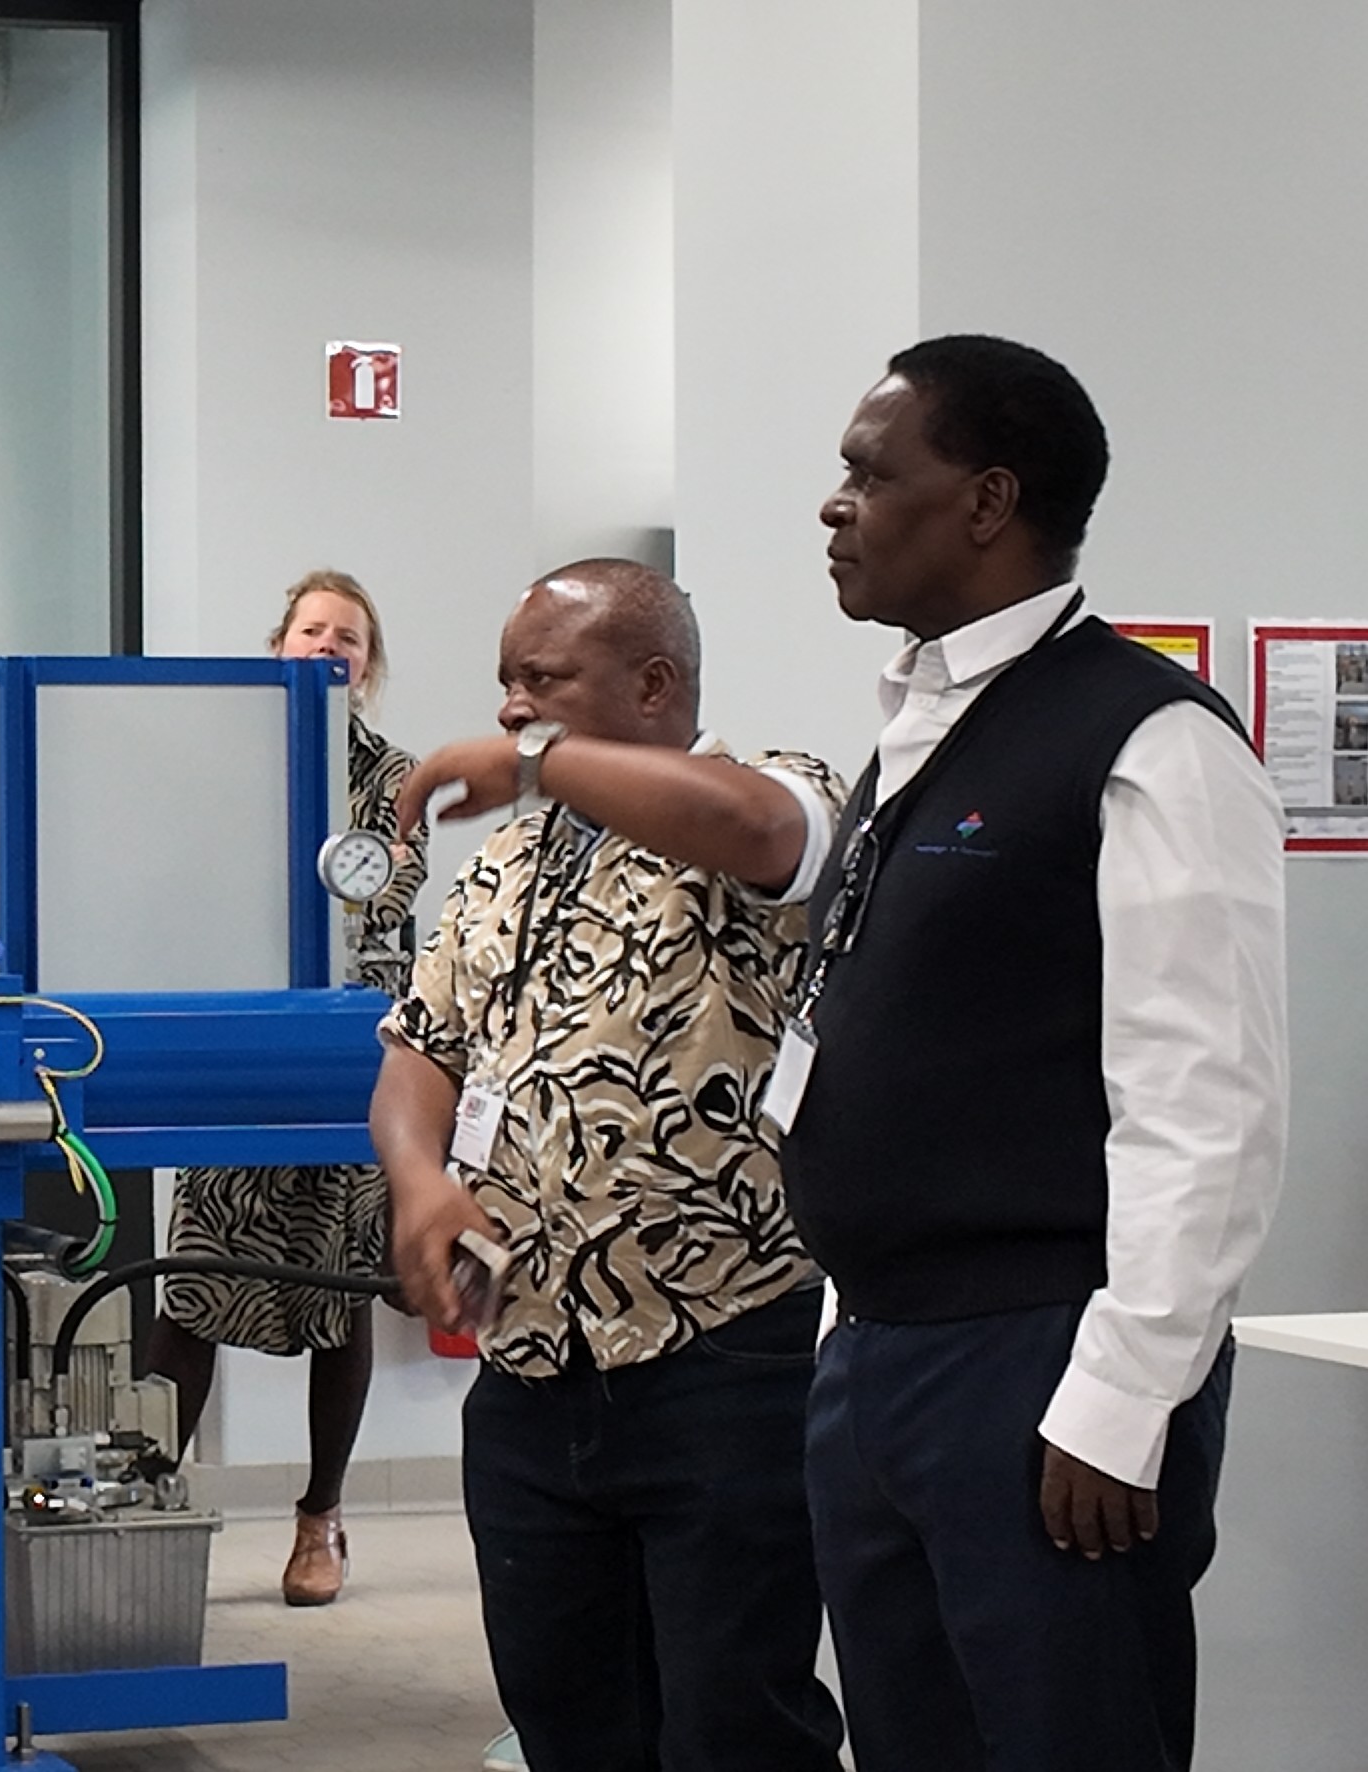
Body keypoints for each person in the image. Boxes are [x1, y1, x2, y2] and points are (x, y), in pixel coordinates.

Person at [782, 336, 1285, 1772]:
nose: (834, 506)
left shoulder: (1146, 740)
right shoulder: (921, 728)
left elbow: (1208, 1106)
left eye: (870, 476)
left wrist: (1125, 1394)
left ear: (987, 500)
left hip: (1040, 1367)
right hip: (879, 1351)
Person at [373, 559, 848, 1771]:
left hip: (721, 1357)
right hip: (533, 1371)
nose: (512, 710)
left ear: (652, 684)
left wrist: (528, 764)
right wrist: (421, 1178)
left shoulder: (772, 798)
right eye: (504, 687)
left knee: (735, 1725)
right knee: (567, 1721)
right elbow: (419, 1055)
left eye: (542, 680)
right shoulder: (506, 867)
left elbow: (762, 832)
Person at [142, 568, 424, 1607]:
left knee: (337, 1295)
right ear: (277, 646)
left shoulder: (396, 777)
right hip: (237, 1046)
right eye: (310, 630)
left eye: (346, 636)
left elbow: (380, 889)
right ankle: (148, 1503)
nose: (325, 647)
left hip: (344, 1058)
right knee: (191, 1291)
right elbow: (184, 882)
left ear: (367, 664)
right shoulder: (222, 763)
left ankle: (320, 1518)